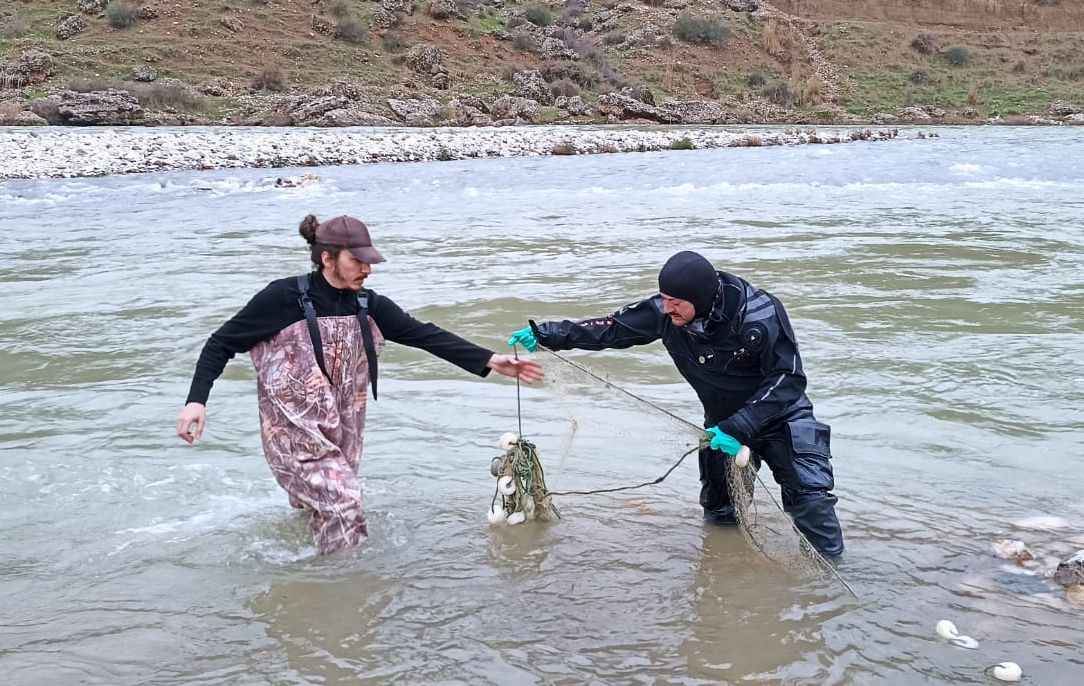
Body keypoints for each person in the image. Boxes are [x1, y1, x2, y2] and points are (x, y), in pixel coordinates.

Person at [177, 214, 543, 554]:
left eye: (369, 261)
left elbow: (422, 334)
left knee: (325, 502)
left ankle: (306, 579)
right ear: (327, 258)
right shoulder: (282, 298)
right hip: (293, 426)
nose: (367, 270)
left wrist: (490, 360)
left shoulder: (368, 304)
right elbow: (221, 343)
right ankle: (342, 591)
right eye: (359, 261)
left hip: (344, 421)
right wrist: (197, 401)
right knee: (344, 500)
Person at [508, 251, 844, 557]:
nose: (667, 308)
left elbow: (789, 378)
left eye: (676, 302)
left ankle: (827, 594)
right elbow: (610, 329)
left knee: (810, 502)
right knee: (719, 512)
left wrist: (741, 425)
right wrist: (548, 335)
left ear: (701, 298)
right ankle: (724, 567)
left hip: (779, 416)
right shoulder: (665, 312)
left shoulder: (758, 314)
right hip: (720, 425)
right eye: (665, 299)